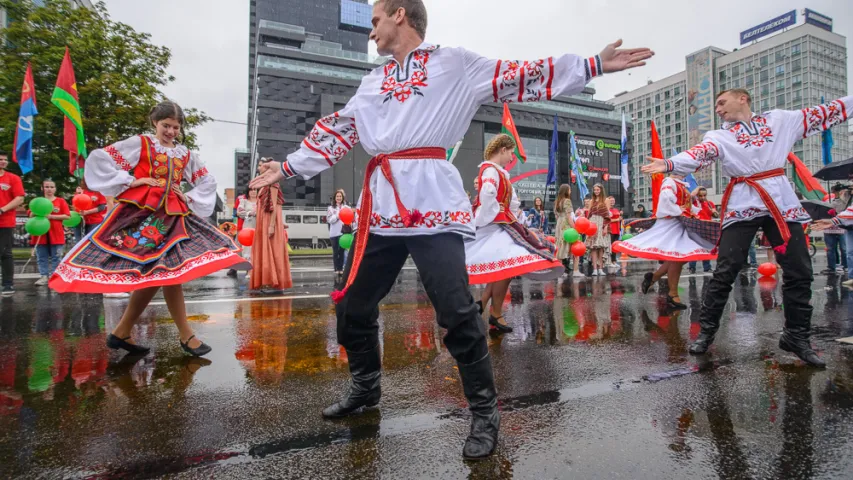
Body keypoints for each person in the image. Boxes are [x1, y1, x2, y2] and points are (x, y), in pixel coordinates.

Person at [249, 0, 652, 459]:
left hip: (432, 204)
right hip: (382, 207)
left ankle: (484, 411)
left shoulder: (454, 64)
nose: (371, 31)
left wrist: (593, 64)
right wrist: (285, 167)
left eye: (376, 19)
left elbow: (520, 74)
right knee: (353, 306)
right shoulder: (372, 80)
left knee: (457, 311)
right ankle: (366, 387)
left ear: (400, 14)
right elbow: (337, 130)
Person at [643, 88, 853, 367]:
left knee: (799, 269)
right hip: (743, 202)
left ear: (743, 98)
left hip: (780, 201)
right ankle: (706, 331)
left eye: (721, 102)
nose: (718, 109)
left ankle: (797, 336)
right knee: (727, 269)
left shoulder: (780, 120)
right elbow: (701, 154)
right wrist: (669, 163)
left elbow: (826, 112)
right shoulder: (719, 136)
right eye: (716, 105)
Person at [50, 101, 249, 356]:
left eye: (176, 127)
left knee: (164, 274)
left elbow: (207, 182)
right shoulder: (140, 143)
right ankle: (184, 336)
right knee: (166, 274)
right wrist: (132, 180)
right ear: (155, 122)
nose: (171, 131)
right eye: (166, 125)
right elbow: (101, 159)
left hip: (175, 216)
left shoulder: (186, 154)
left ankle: (123, 332)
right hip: (142, 215)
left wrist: (188, 195)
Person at [466, 134, 563, 333]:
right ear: (502, 150)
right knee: (505, 270)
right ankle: (494, 312)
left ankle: (485, 306)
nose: (512, 158)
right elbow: (487, 195)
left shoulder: (497, 172)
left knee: (504, 270)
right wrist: (486, 218)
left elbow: (509, 202)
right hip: (495, 225)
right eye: (511, 153)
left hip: (502, 223)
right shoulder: (491, 170)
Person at [613, 174, 717, 309]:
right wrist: (680, 210)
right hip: (672, 224)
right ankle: (672, 294)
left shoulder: (680, 184)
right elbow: (667, 199)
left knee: (682, 257)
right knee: (677, 257)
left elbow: (683, 203)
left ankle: (654, 278)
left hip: (680, 223)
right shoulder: (669, 182)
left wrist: (690, 199)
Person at [250, 157, 292, 292]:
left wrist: (272, 225)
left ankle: (275, 282)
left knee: (272, 250)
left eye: (261, 165)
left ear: (268, 168)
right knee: (265, 250)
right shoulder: (263, 185)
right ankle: (268, 281)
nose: (259, 168)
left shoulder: (273, 184)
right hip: (264, 220)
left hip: (269, 221)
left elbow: (274, 205)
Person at [30, 179, 70, 286]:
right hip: (40, 234)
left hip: (56, 234)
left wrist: (51, 216)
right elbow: (30, 214)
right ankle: (43, 276)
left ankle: (55, 276)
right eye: (47, 187)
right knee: (41, 257)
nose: (49, 189)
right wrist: (37, 213)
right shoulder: (37, 201)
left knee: (56, 256)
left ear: (55, 189)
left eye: (52, 187)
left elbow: (67, 215)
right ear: (42, 188)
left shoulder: (61, 201)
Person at [0, 151, 25, 296]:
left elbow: (20, 198)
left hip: (5, 221)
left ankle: (8, 284)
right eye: (0, 159)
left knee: (4, 253)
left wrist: (2, 209)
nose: (2, 162)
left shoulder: (13, 178)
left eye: (4, 160)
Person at [688, 186, 717, 274]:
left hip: (707, 229)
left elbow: (716, 215)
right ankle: (692, 267)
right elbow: (690, 196)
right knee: (694, 249)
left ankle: (707, 268)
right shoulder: (694, 203)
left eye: (704, 195)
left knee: (706, 249)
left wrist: (714, 212)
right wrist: (699, 187)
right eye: (700, 196)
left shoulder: (710, 203)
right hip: (696, 229)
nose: (703, 197)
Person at [821, 184, 848, 275]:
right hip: (829, 229)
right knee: (830, 249)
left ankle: (845, 266)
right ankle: (831, 267)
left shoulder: (846, 202)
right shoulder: (829, 202)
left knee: (844, 248)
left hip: (841, 228)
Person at [584, 183, 611, 276]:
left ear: (601, 190)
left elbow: (607, 215)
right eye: (595, 190)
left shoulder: (606, 200)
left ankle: (601, 268)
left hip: (602, 223)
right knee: (593, 247)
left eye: (598, 190)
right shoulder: (592, 200)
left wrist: (605, 227)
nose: (596, 191)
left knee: (601, 247)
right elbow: (589, 214)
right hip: (593, 224)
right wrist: (587, 226)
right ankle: (595, 268)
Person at [553, 184, 577, 275]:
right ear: (567, 191)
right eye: (569, 189)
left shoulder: (557, 201)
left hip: (559, 223)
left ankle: (559, 271)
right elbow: (568, 216)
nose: (570, 191)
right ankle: (573, 270)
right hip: (565, 223)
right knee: (567, 244)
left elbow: (556, 216)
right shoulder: (567, 201)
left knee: (560, 245)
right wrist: (574, 227)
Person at [327, 189, 349, 277]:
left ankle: (341, 268)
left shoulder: (346, 208)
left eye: (340, 196)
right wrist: (338, 214)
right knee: (336, 252)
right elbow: (330, 220)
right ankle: (336, 268)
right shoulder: (331, 208)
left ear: (342, 198)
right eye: (337, 196)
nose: (339, 198)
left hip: (343, 233)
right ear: (335, 198)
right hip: (334, 233)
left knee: (342, 251)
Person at [237, 187, 259, 275]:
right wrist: (250, 213)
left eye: (255, 190)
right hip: (248, 228)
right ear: (248, 192)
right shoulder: (243, 201)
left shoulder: (261, 201)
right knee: (247, 248)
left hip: (260, 227)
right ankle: (249, 270)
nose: (253, 192)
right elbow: (239, 213)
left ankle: (258, 271)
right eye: (251, 190)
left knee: (259, 248)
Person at [607, 196, 621, 265]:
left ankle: (614, 260)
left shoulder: (616, 210)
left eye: (613, 200)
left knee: (615, 246)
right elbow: (607, 220)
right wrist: (617, 219)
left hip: (617, 230)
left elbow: (619, 218)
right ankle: (611, 260)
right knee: (610, 246)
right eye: (611, 201)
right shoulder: (607, 210)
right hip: (611, 230)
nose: (612, 202)